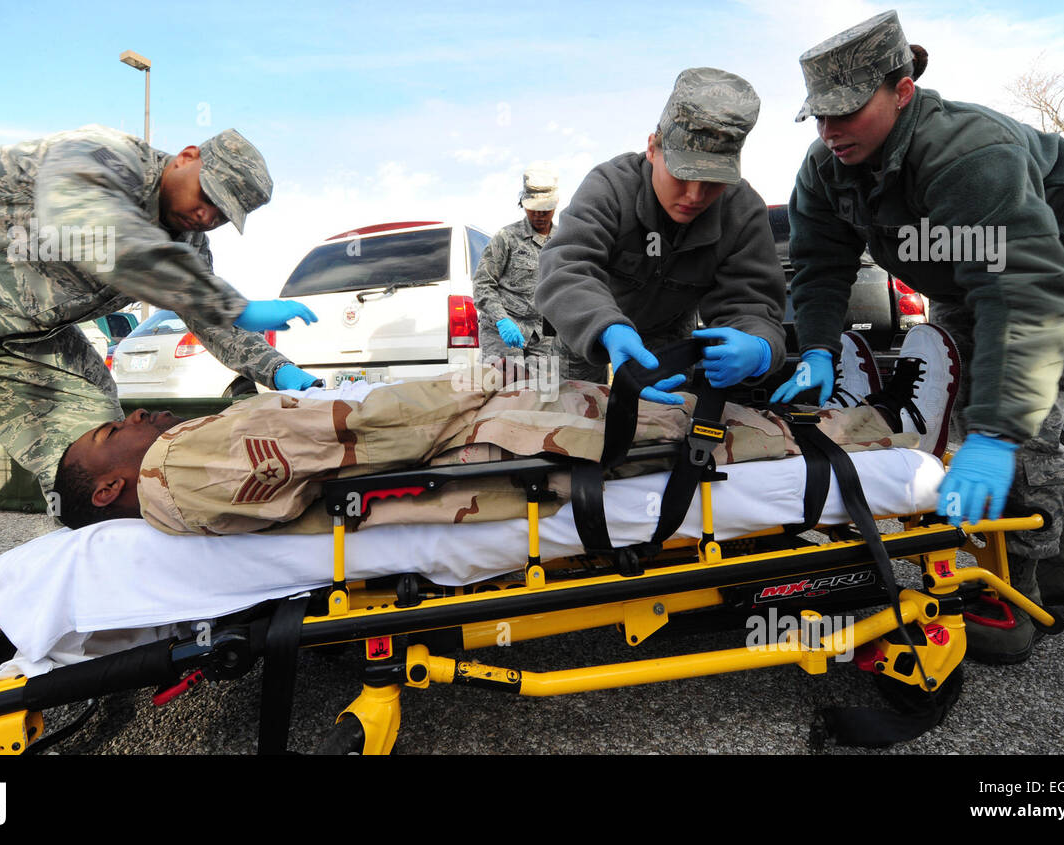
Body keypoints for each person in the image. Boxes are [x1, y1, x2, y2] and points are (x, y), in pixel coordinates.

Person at [772, 10, 1064, 663]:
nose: (829, 129)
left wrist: (994, 434)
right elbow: (821, 267)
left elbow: (1023, 296)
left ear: (902, 91)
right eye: (818, 115)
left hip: (1061, 262)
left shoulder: (968, 152)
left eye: (846, 111)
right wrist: (817, 347)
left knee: (1015, 415)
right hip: (970, 277)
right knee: (972, 397)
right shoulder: (827, 167)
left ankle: (1013, 596)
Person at [51, 335, 951, 536]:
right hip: (482, 447)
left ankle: (850, 420)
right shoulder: (183, 464)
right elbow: (370, 432)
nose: (133, 416)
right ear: (106, 488)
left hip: (470, 436)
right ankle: (890, 444)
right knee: (691, 433)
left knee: (677, 415)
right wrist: (488, 375)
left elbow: (337, 431)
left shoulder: (180, 463)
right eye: (109, 432)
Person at [0, 125, 322, 494]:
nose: (207, 216)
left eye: (223, 215)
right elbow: (97, 231)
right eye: (209, 197)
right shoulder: (102, 153)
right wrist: (229, 303)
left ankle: (96, 551)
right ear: (186, 156)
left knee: (101, 442)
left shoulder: (188, 246)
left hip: (7, 332)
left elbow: (211, 319)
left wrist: (278, 371)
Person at [535, 68, 786, 404]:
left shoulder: (741, 211)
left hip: (668, 339)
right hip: (586, 328)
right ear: (653, 148)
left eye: (713, 181)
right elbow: (566, 265)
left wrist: (760, 347)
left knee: (665, 428)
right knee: (571, 421)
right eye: (682, 176)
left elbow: (752, 304)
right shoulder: (611, 186)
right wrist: (607, 328)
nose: (695, 196)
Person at [472, 168, 559, 370]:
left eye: (544, 210)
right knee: (502, 391)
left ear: (555, 206)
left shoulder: (563, 241)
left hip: (543, 336)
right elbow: (482, 285)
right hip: (502, 332)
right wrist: (502, 320)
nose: (539, 215)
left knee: (543, 394)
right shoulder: (506, 238)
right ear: (523, 204)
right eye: (533, 209)